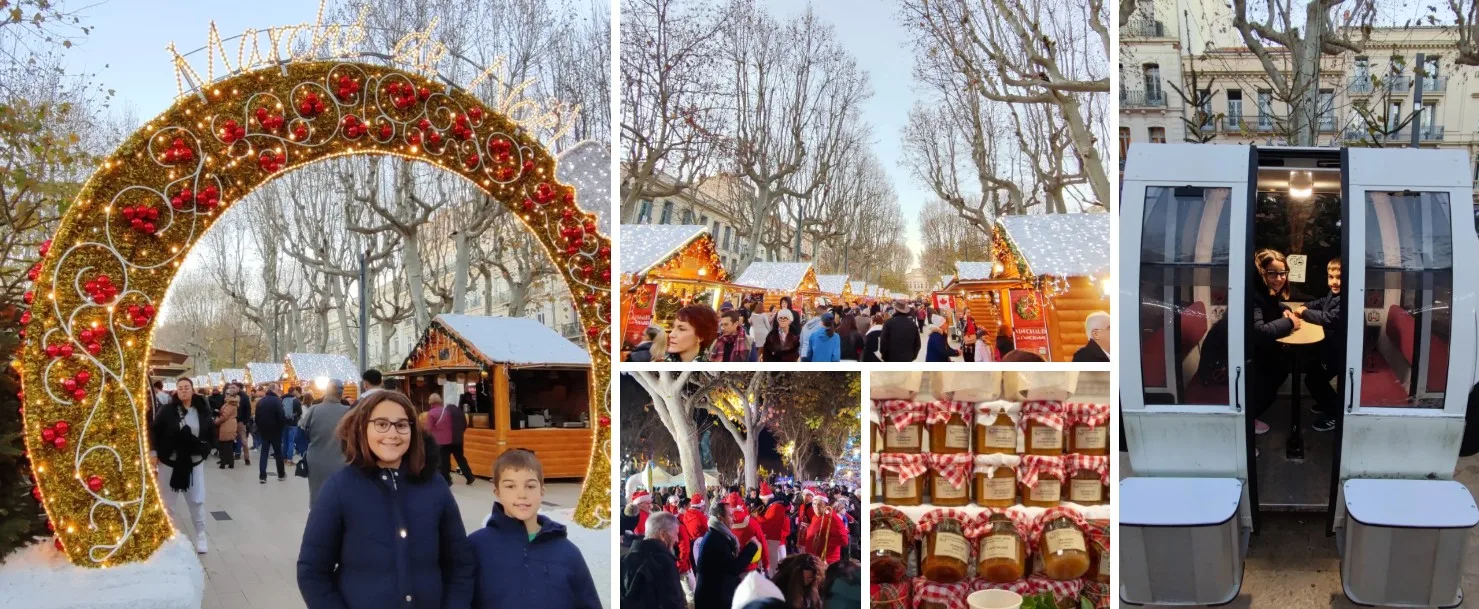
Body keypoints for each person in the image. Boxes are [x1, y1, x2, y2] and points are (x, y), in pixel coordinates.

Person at [297, 391, 474, 609]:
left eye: (401, 425)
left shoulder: (434, 486)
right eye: (381, 424)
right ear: (363, 428)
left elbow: (460, 564)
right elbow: (313, 571)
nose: (392, 434)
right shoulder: (339, 489)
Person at [468, 449, 601, 609]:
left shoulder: (567, 553)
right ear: (497, 492)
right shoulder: (476, 546)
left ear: (542, 491)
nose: (522, 494)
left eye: (530, 486)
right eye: (510, 486)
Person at [149, 378, 215, 553]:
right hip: (170, 461)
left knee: (196, 500)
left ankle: (201, 534)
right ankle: (166, 535)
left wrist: (205, 449)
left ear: (193, 390)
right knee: (167, 502)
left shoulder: (202, 410)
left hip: (193, 462)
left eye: (186, 387)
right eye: (180, 388)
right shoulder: (167, 411)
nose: (183, 391)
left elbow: (209, 431)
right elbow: (154, 431)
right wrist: (154, 453)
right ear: (176, 391)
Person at [1250, 248, 1298, 436]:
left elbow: (1273, 304)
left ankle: (1257, 408)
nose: (1279, 278)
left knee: (1281, 367)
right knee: (1276, 370)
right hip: (1236, 358)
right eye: (1272, 273)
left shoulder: (1266, 292)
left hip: (1256, 351)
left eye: (1282, 273)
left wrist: (1285, 309)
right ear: (1261, 273)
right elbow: (1259, 331)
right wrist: (1289, 322)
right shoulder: (1253, 296)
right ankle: (1247, 423)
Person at [1296, 257, 1343, 432]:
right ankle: (1326, 402)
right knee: (1313, 369)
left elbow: (1329, 319)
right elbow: (1323, 302)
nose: (1335, 282)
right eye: (1331, 277)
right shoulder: (1334, 294)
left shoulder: (1347, 298)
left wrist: (1305, 313)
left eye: (1339, 277)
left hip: (1341, 351)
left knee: (1314, 379)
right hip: (1331, 347)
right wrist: (1306, 305)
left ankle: (1335, 414)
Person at [695, 500, 762, 609]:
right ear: (720, 517)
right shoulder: (715, 539)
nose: (734, 519)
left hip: (717, 595)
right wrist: (752, 546)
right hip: (712, 600)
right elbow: (733, 568)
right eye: (730, 516)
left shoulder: (718, 534)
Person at [300, 379, 352, 507]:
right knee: (339, 495)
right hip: (341, 460)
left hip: (316, 459)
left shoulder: (313, 410)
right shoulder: (348, 412)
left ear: (326, 393)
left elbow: (303, 431)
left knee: (317, 493)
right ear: (341, 394)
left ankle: (318, 519)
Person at [620, 510, 687, 609]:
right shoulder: (664, 563)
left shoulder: (624, 559)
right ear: (663, 534)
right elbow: (672, 603)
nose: (677, 539)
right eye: (676, 533)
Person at [429, 393, 475, 485]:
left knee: (445, 460)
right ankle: (469, 476)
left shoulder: (445, 412)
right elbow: (464, 424)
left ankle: (447, 479)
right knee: (460, 458)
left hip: (448, 440)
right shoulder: (460, 411)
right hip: (459, 439)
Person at [801, 496, 847, 566]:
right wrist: (809, 527)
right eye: (814, 504)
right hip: (814, 558)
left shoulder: (833, 518)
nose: (816, 506)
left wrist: (823, 541)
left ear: (826, 506)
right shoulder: (815, 517)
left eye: (820, 504)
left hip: (827, 560)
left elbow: (844, 540)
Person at [254, 387, 288, 483]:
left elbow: (256, 417)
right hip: (276, 432)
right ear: (274, 390)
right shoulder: (277, 401)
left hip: (264, 431)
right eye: (278, 390)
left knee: (264, 453)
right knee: (278, 453)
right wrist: (281, 428)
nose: (279, 392)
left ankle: (262, 476)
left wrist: (260, 428)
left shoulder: (261, 401)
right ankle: (281, 474)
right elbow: (281, 416)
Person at [215, 394, 239, 469]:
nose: (225, 396)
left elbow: (225, 416)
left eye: (227, 394)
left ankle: (223, 463)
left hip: (227, 425)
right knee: (229, 445)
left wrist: (216, 422)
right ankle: (230, 463)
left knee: (224, 445)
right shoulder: (231, 404)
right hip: (230, 424)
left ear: (230, 396)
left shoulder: (230, 404)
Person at [232, 382, 252, 465]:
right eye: (231, 387)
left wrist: (245, 421)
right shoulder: (230, 396)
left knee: (243, 440)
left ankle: (246, 458)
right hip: (232, 421)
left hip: (240, 421)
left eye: (233, 387)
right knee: (229, 439)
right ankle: (228, 457)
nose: (232, 389)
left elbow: (248, 409)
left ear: (238, 388)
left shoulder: (244, 397)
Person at [282, 387, 303, 464]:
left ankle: (284, 458)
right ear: (294, 392)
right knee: (291, 441)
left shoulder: (283, 399)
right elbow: (300, 412)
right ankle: (289, 459)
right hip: (293, 423)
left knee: (284, 441)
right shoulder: (296, 401)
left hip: (284, 423)